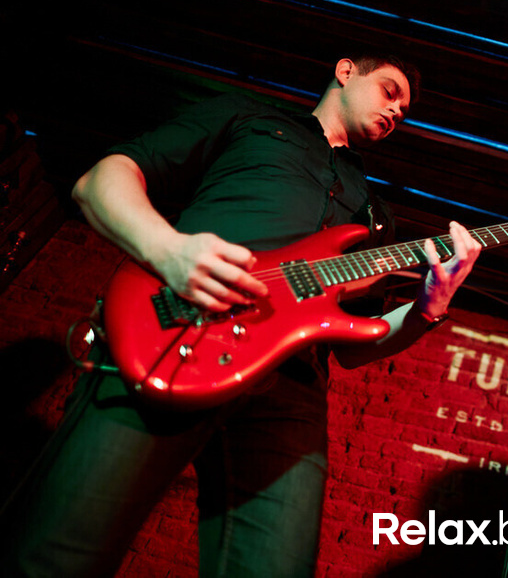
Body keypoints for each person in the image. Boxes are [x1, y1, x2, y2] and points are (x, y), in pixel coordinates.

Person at [0, 53, 481, 576]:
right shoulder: (248, 117)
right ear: (346, 72)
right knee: (58, 555)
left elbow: (356, 346)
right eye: (390, 92)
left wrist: (427, 309)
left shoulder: (376, 215)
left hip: (290, 391)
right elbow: (101, 180)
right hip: (180, 331)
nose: (395, 112)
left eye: (404, 113)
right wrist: (167, 250)